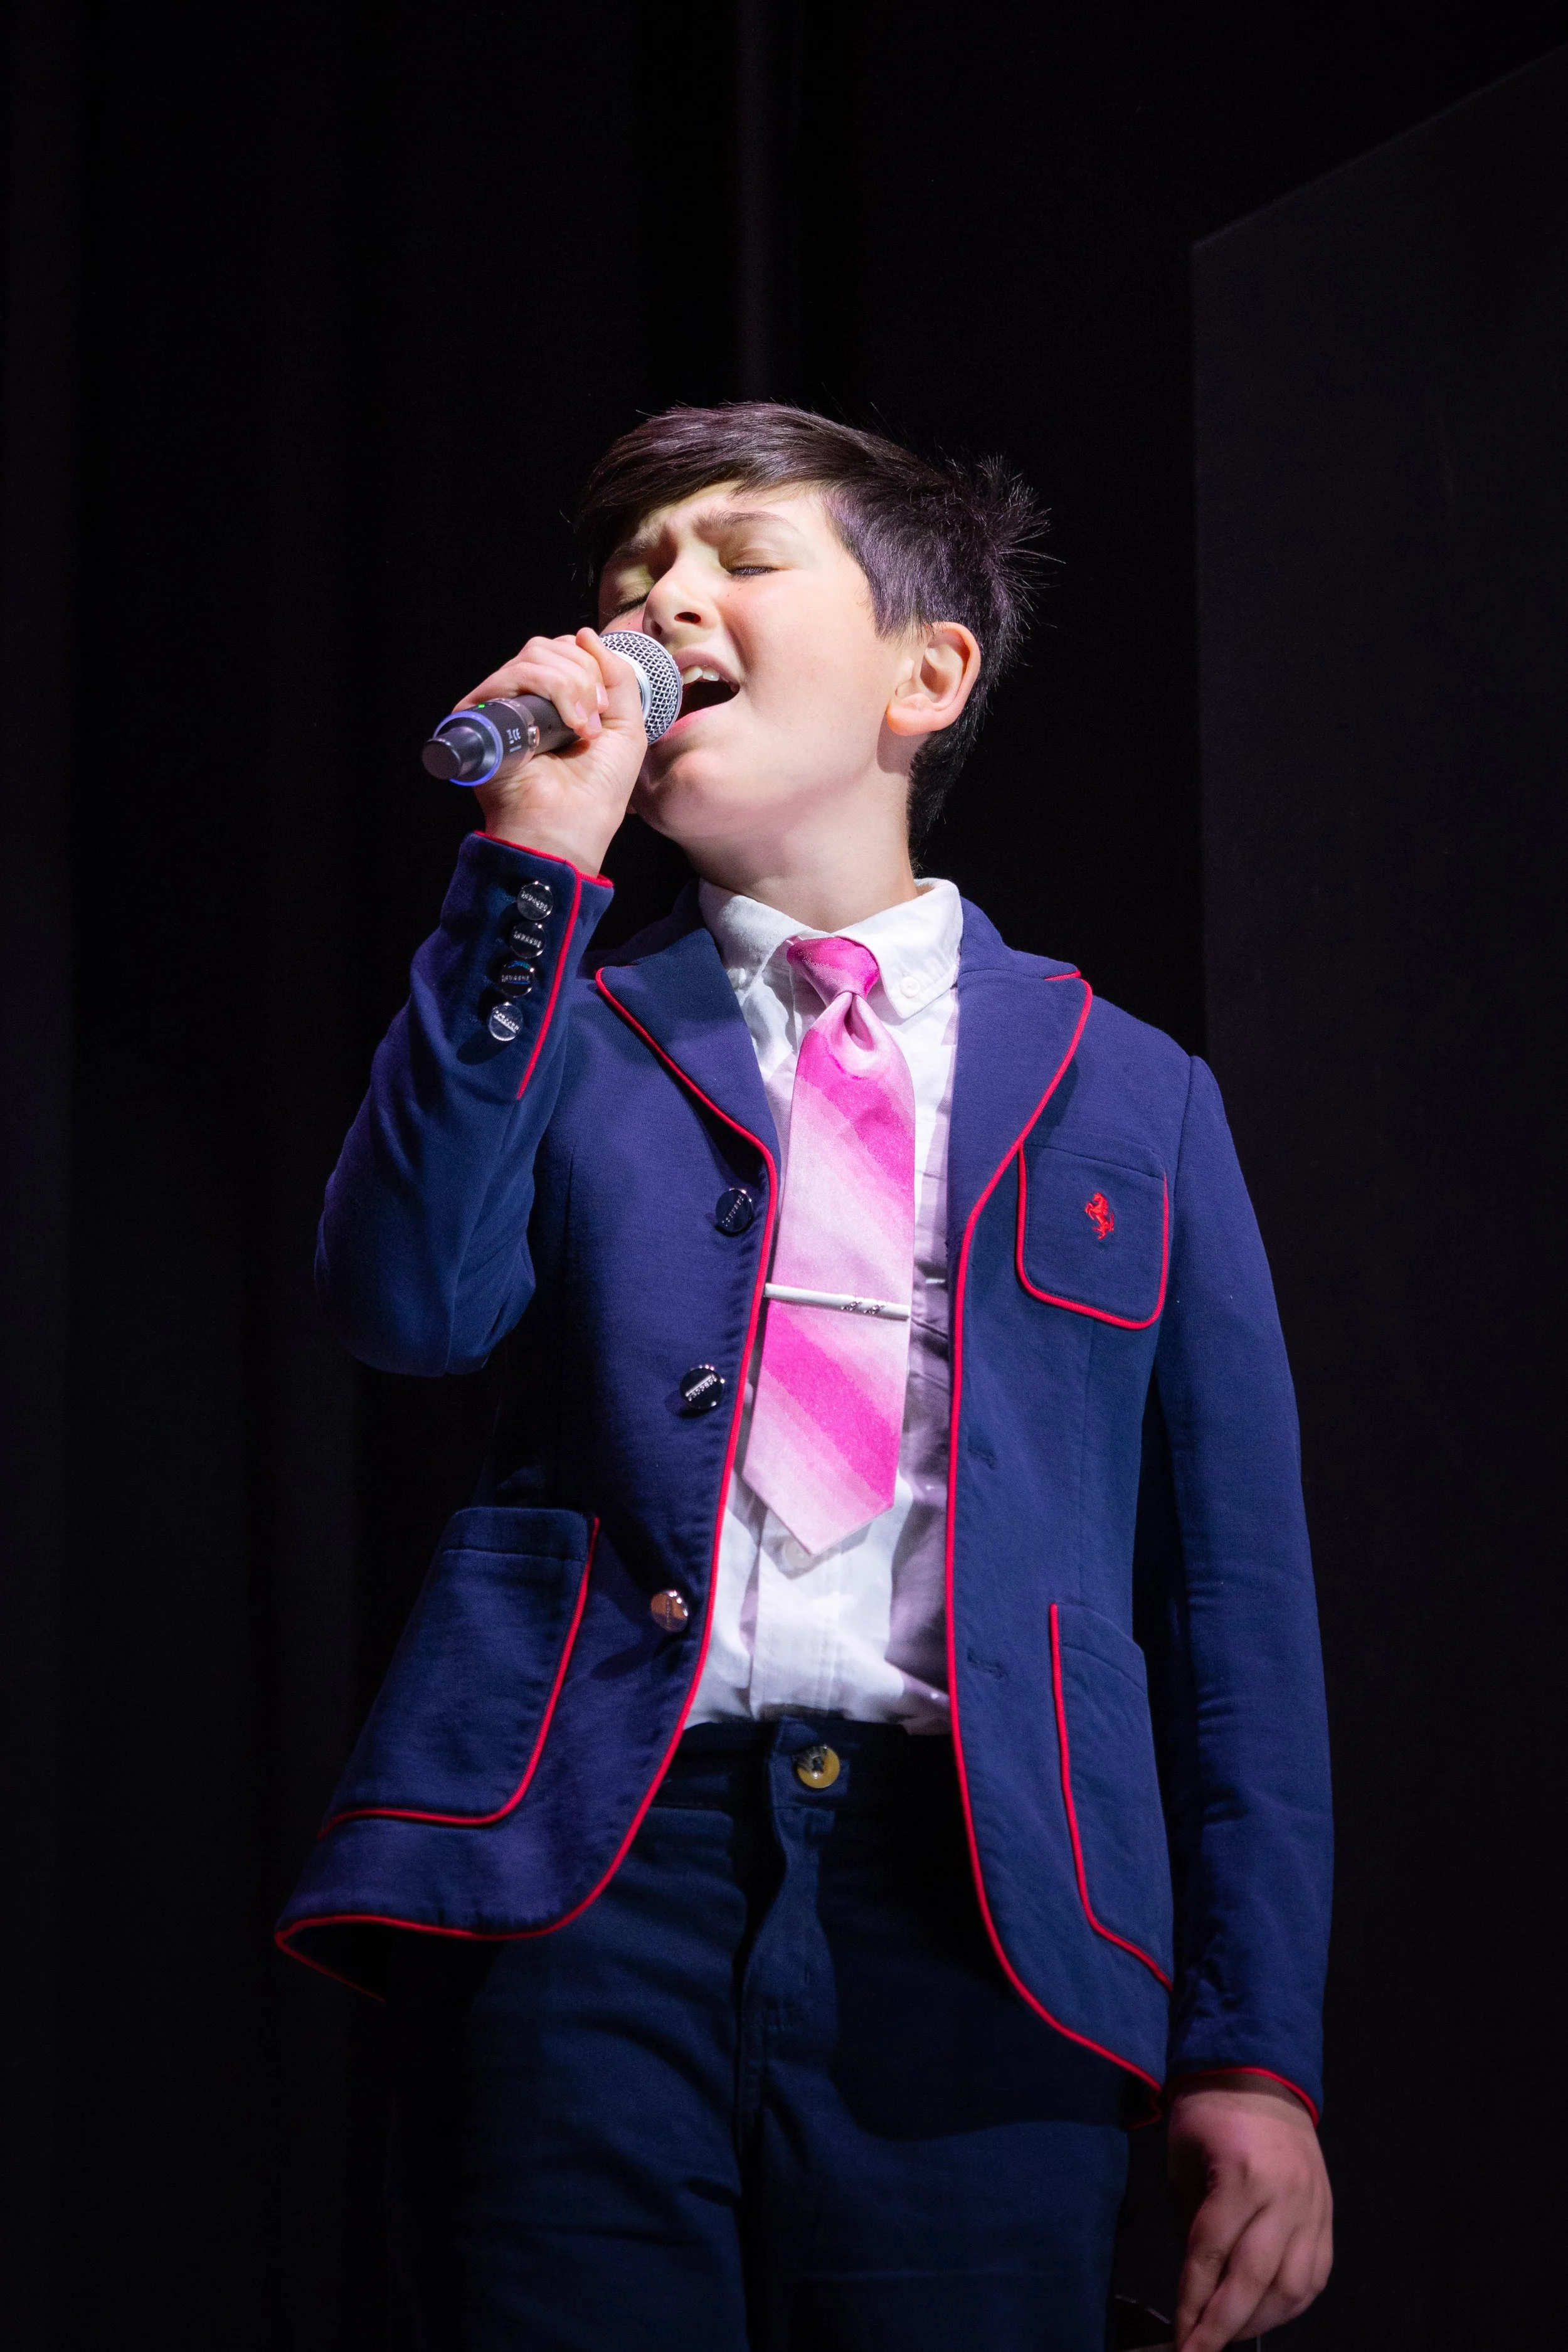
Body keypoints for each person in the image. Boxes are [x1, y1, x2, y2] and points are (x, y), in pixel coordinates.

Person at [278, 404, 1334, 2351]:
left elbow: (1235, 1608)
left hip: (987, 1904)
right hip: (597, 1874)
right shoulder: (567, 1027)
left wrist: (1252, 2051)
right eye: (631, 576)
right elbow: (405, 1302)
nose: (660, 603)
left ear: (925, 677)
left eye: (738, 557)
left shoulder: (1133, 1092)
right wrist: (529, 871)